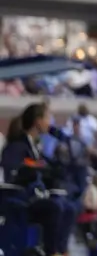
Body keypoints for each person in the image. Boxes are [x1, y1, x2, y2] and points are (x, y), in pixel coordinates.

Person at [0, 102, 76, 256]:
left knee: (69, 208)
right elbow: (13, 170)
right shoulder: (18, 146)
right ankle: (51, 252)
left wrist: (63, 157)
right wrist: (34, 169)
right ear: (37, 121)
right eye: (48, 118)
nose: (50, 123)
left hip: (33, 198)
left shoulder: (36, 147)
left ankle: (62, 250)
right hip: (18, 200)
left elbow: (50, 168)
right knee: (54, 208)